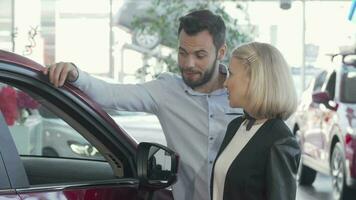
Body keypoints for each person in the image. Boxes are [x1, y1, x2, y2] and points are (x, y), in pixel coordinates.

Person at [44, 10, 242, 200]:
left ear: (221, 52)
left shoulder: (243, 95)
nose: (188, 64)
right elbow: (111, 95)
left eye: (199, 55)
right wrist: (75, 74)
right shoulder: (166, 91)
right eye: (182, 53)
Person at [211, 42, 301, 200]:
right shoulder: (235, 126)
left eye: (231, 74)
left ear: (254, 79)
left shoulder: (279, 140)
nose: (225, 83)